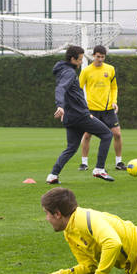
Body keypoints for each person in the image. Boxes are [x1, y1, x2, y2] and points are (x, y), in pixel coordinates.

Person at [47, 46, 114, 184]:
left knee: (71, 148)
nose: (81, 62)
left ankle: (53, 175)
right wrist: (60, 105)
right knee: (107, 135)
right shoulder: (69, 73)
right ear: (73, 59)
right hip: (79, 116)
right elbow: (60, 88)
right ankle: (99, 169)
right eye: (80, 60)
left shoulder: (62, 70)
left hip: (70, 117)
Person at [78, 45, 126, 171]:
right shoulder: (86, 71)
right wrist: (82, 106)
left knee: (117, 134)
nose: (100, 59)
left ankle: (119, 162)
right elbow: (78, 88)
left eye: (102, 57)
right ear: (93, 56)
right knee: (87, 135)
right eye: (98, 57)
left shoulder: (110, 69)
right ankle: (84, 163)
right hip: (92, 109)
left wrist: (114, 101)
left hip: (108, 109)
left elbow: (114, 87)